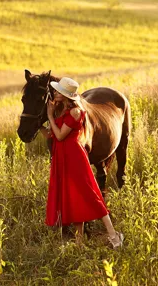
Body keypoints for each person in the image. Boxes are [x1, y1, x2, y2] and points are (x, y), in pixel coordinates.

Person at [39, 77, 124, 249]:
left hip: (74, 155)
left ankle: (114, 235)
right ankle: (79, 241)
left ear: (65, 95)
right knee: (74, 196)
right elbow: (51, 134)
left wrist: (49, 115)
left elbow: (61, 135)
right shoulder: (63, 110)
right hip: (64, 156)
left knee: (90, 194)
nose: (54, 93)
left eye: (57, 91)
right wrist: (37, 124)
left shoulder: (75, 112)